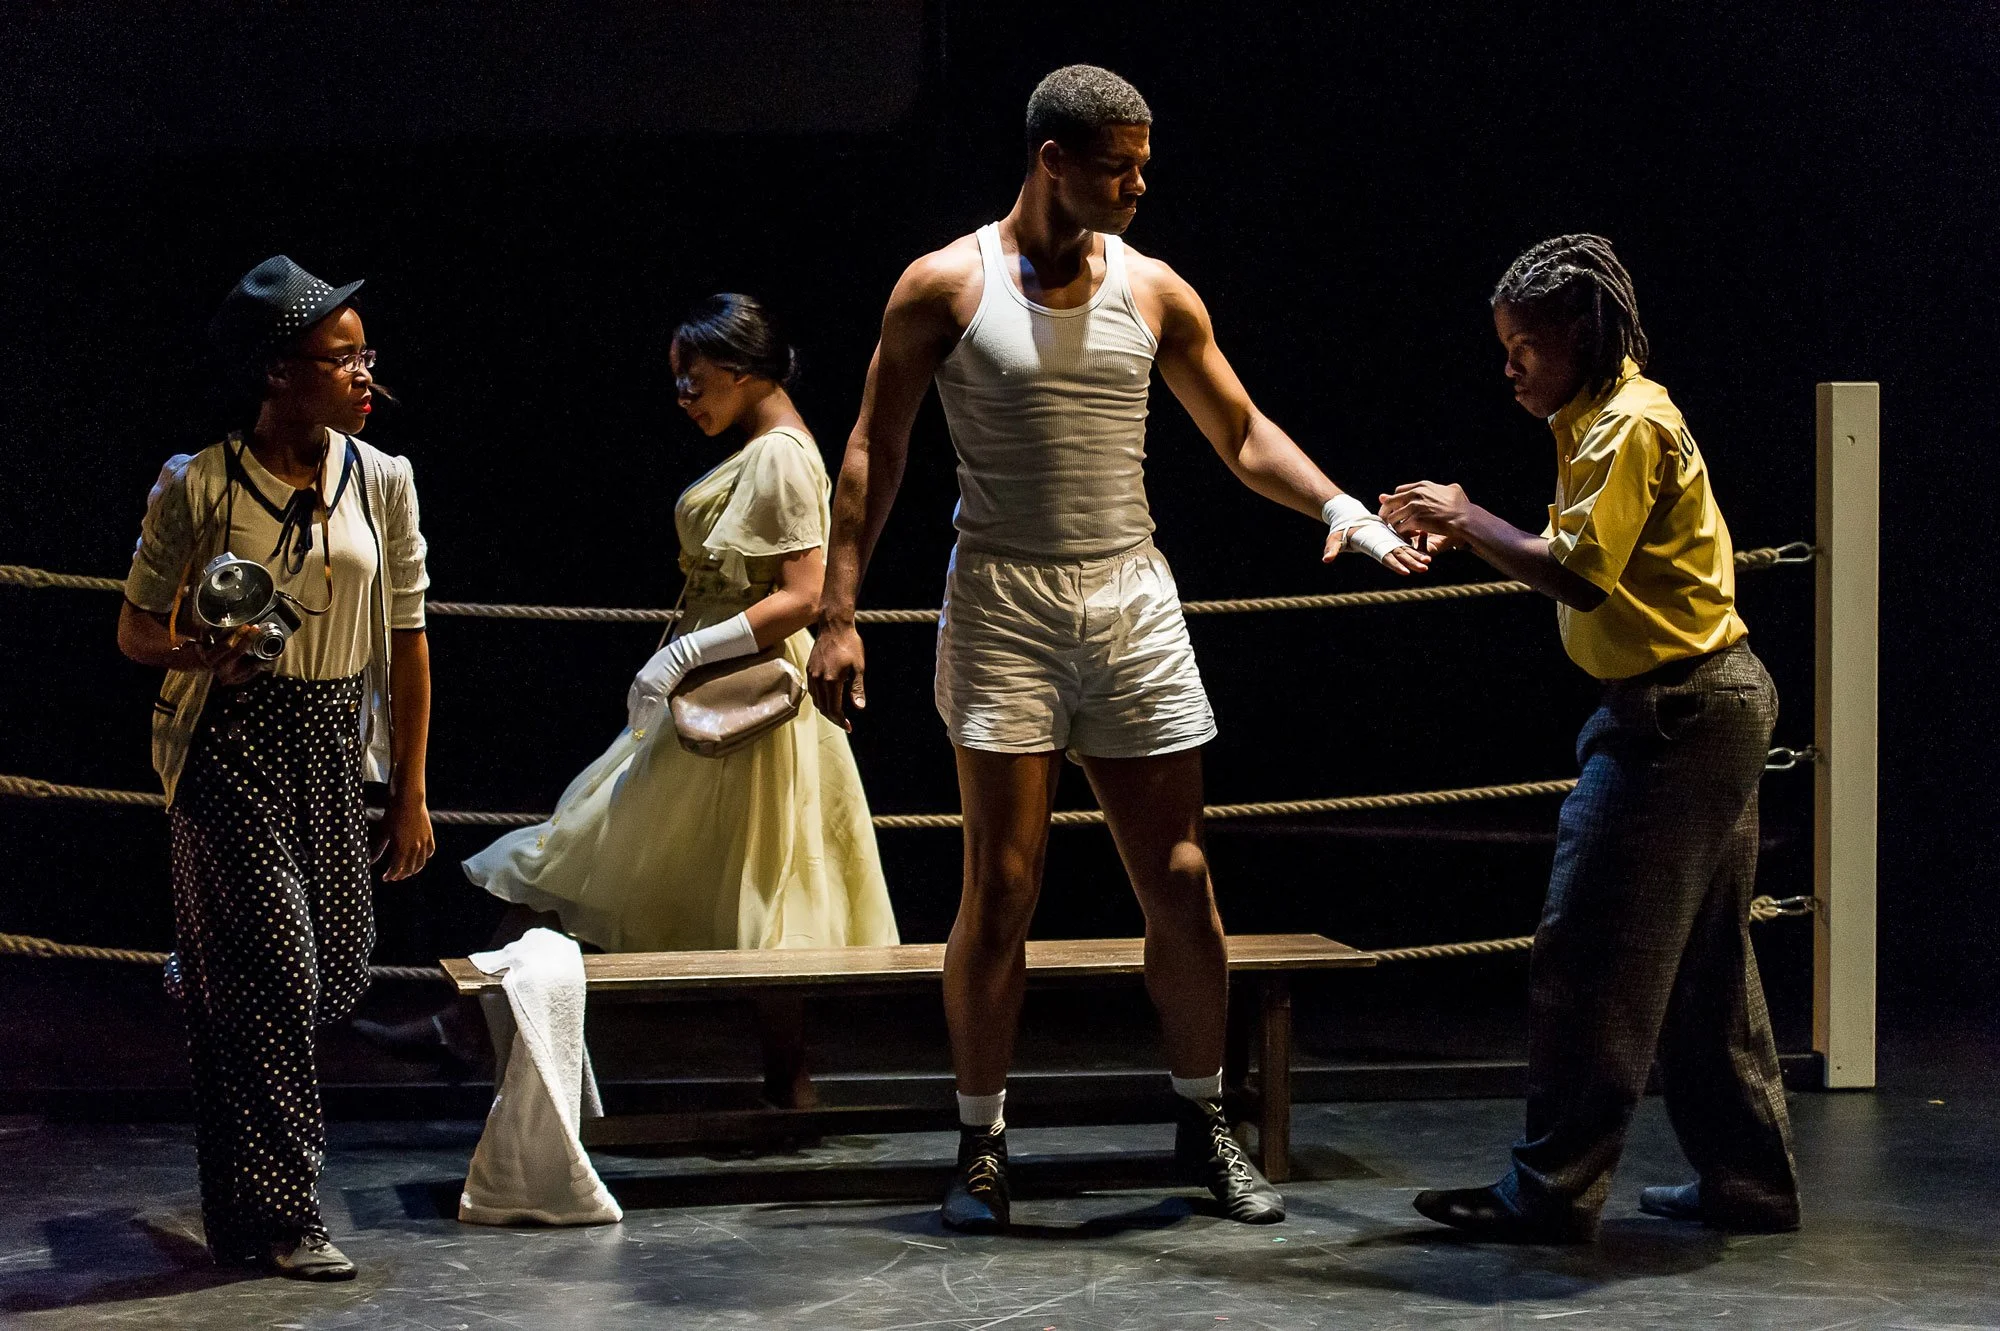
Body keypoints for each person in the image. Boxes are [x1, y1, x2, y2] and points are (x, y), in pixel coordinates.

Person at [806, 65, 1427, 1233]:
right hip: (1003, 600)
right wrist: (838, 612)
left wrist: (1341, 507)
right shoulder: (944, 284)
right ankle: (981, 1141)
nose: (1139, 185)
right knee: (1000, 885)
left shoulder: (1152, 289)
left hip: (1130, 597)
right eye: (1117, 167)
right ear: (1051, 160)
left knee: (1180, 878)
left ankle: (1201, 1117)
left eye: (1143, 165)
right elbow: (872, 449)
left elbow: (1239, 431)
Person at [1381, 234, 1800, 1242]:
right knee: (1703, 958)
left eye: (1523, 345)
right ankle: (1749, 1178)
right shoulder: (1603, 417)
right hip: (1706, 700)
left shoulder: (1624, 425)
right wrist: (1476, 532)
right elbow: (1577, 558)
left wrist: (1467, 516)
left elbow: (1578, 574)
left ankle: (1552, 1188)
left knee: (1589, 947)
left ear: (1579, 333)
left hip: (1676, 714)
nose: (1509, 365)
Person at [447, 293, 898, 1107]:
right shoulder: (767, 447)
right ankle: (784, 1079)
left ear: (739, 368)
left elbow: (803, 593)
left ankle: (463, 1025)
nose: (684, 398)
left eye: (693, 379)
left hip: (745, 694)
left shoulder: (780, 455)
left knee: (620, 845)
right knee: (671, 857)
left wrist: (686, 653)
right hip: (717, 684)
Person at [118, 256, 435, 1280]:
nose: (363, 374)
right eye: (340, 358)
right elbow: (135, 627)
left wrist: (409, 789)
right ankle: (292, 1213)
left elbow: (409, 636)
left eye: (365, 354)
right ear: (276, 370)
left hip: (334, 742)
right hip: (233, 742)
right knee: (282, 975)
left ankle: (205, 969)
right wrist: (195, 650)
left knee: (332, 970)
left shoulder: (381, 478)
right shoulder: (200, 482)